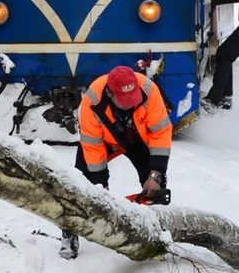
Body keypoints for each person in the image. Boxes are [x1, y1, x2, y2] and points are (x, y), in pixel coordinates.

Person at [60, 65, 173, 259]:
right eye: (124, 101)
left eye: (133, 100)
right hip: (104, 140)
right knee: (80, 183)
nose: (130, 105)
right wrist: (100, 185)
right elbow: (93, 147)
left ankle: (154, 234)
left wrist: (155, 173)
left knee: (157, 184)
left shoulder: (148, 89)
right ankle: (69, 234)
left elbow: (160, 132)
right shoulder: (91, 101)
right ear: (110, 94)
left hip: (137, 138)